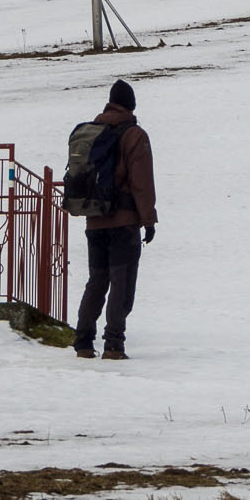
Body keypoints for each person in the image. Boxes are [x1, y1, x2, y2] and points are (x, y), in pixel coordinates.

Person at [73, 78, 157, 360]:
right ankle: (113, 345)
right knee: (121, 283)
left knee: (97, 280)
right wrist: (148, 220)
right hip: (123, 221)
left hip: (94, 220)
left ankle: (83, 342)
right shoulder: (134, 135)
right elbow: (141, 182)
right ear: (131, 104)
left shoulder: (92, 131)